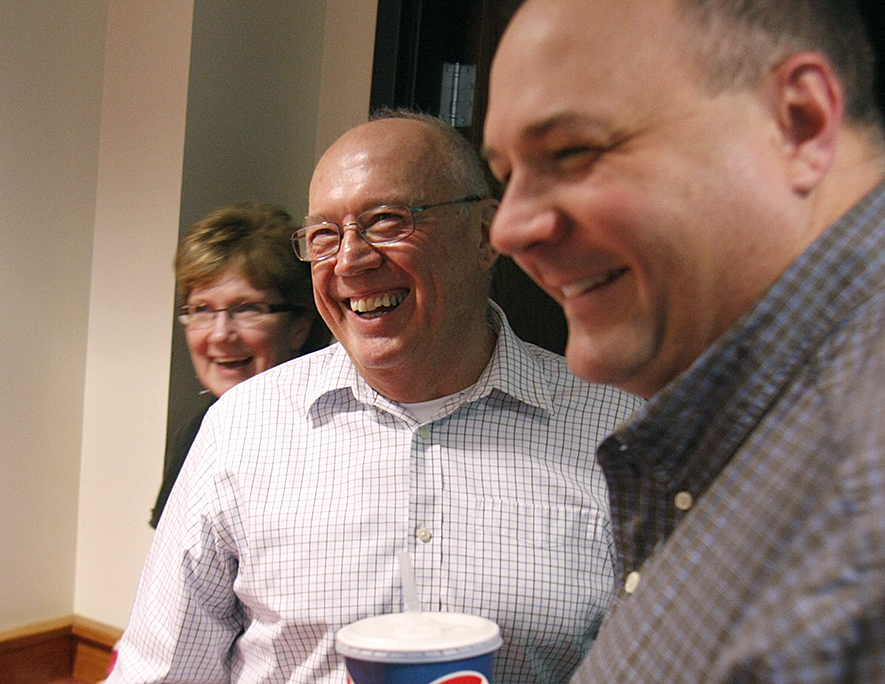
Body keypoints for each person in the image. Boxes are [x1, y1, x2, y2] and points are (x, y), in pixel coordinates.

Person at [482, 0, 885, 683]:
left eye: (574, 152)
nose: (508, 229)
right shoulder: (781, 427)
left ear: (799, 123)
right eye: (505, 175)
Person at [108, 110, 643, 684]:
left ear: (485, 232)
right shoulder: (241, 427)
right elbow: (159, 673)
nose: (350, 259)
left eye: (387, 221)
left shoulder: (617, 431)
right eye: (324, 236)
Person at [150, 203, 330, 528]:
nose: (220, 334)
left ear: (300, 325)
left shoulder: (334, 435)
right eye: (202, 309)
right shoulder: (196, 433)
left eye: (247, 308)